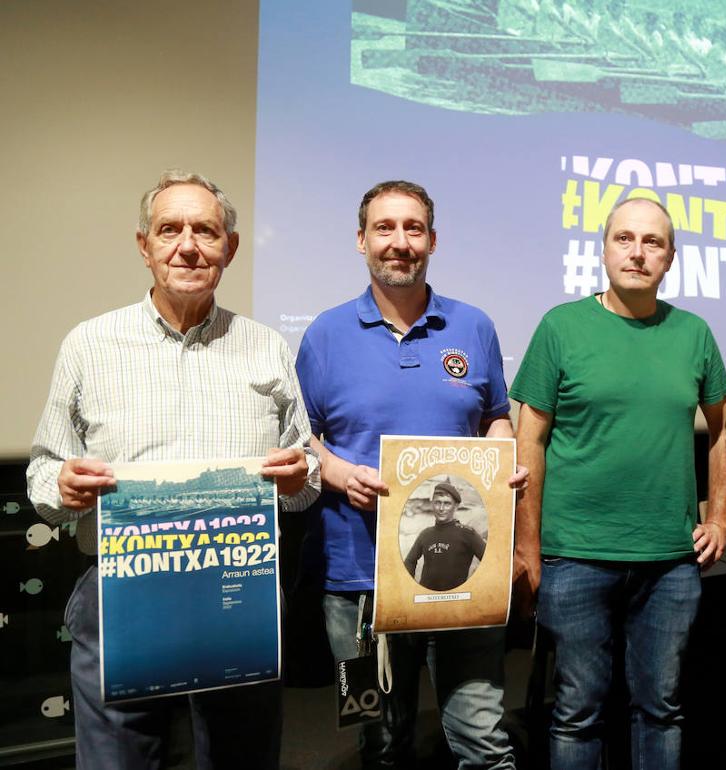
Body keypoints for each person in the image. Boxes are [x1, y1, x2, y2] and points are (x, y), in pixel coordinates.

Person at [26, 170, 319, 770]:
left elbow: (306, 474)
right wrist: (61, 486)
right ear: (145, 245)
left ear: (229, 248)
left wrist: (299, 478)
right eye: (169, 230)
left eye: (205, 231)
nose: (187, 245)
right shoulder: (89, 344)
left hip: (238, 598)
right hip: (119, 598)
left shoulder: (267, 347)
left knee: (243, 757)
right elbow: (41, 472)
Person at [295, 180, 523, 769]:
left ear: (433, 240)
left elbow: (496, 418)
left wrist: (502, 459)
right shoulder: (325, 334)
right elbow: (300, 439)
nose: (400, 242)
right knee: (379, 745)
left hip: (465, 577)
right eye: (385, 228)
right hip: (358, 578)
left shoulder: (473, 327)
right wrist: (340, 472)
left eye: (413, 228)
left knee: (483, 740)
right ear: (361, 240)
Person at [510, 196, 726, 768]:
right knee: (577, 713)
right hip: (574, 556)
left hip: (670, 561)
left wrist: (718, 517)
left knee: (660, 708)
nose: (637, 252)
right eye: (624, 239)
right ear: (604, 248)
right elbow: (527, 442)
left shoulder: (694, 333)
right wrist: (526, 546)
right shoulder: (560, 327)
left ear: (671, 257)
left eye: (652, 242)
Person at [403, 480, 487, 590]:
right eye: (438, 502)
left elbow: (489, 563)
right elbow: (409, 562)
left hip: (455, 601)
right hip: (426, 600)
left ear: (456, 506)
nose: (441, 508)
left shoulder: (467, 534)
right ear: (432, 504)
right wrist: (410, 589)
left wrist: (474, 589)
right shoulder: (425, 534)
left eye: (447, 503)